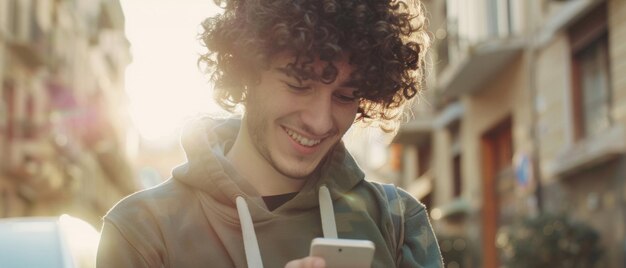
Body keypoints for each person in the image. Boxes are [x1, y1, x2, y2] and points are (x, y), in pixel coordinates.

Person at [96, 0, 442, 267]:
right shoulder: (143, 231)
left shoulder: (397, 222)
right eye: (298, 84)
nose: (320, 122)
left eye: (345, 96)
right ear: (245, 69)